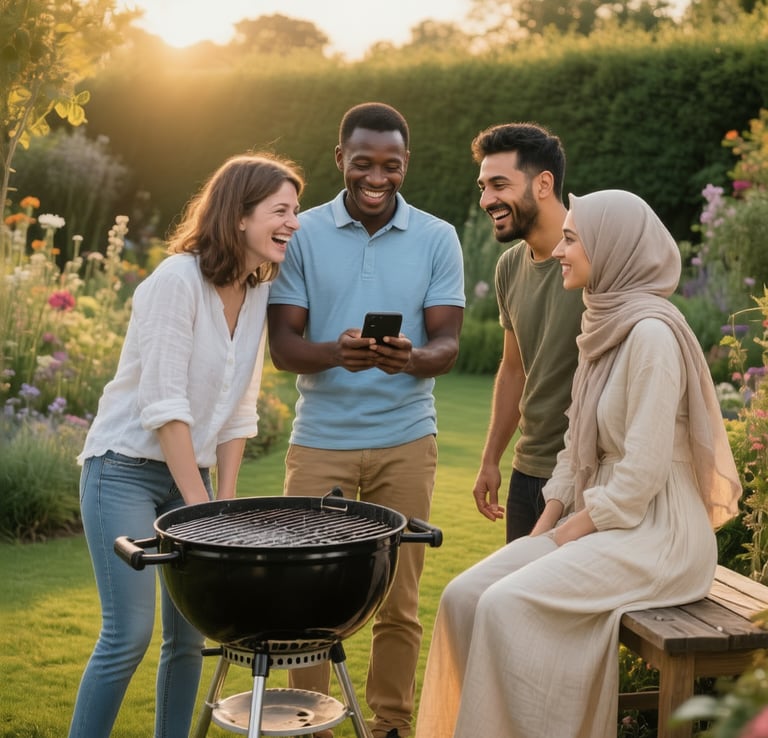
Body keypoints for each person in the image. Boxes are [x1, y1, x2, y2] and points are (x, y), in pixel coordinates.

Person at [414, 189, 742, 738]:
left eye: (572, 238)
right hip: (608, 522)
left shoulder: (652, 337)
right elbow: (575, 448)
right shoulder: (602, 325)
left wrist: (565, 539)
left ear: (611, 247)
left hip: (658, 536)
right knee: (462, 597)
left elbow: (639, 477)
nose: (561, 251)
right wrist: (543, 531)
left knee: (505, 606)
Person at [67, 153, 304, 738]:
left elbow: (238, 412)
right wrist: (202, 512)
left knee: (189, 639)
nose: (293, 223)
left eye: (294, 211)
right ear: (240, 215)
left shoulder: (254, 294)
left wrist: (220, 507)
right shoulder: (175, 281)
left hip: (187, 479)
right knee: (129, 635)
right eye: (280, 210)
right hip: (123, 470)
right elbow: (166, 407)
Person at [267, 101, 465, 738]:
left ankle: (390, 726)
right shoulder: (303, 234)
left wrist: (409, 361)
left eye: (391, 165)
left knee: (399, 601)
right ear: (340, 161)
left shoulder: (437, 237)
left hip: (407, 440)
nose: (376, 177)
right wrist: (336, 354)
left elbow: (447, 345)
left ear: (406, 165)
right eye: (363, 164)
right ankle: (309, 726)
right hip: (320, 442)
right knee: (307, 599)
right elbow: (283, 347)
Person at [470, 122, 585, 542]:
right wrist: (490, 459)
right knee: (517, 600)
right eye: (482, 186)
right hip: (527, 470)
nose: (486, 200)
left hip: (585, 470)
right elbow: (513, 370)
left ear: (543, 184)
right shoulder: (509, 267)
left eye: (499, 184)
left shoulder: (597, 255)